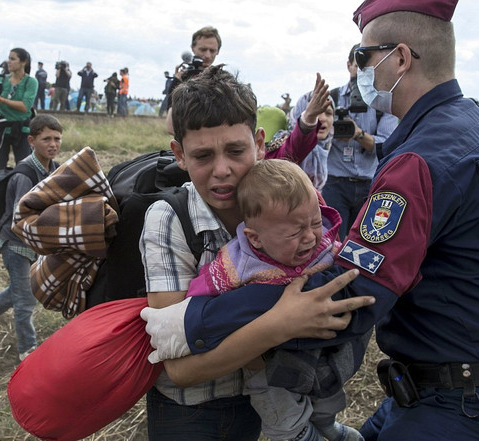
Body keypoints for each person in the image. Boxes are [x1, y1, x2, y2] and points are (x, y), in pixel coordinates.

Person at [143, 1, 479, 440]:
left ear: (399, 58)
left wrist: (197, 320)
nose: (358, 69)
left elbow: (351, 295)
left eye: (362, 57)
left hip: (463, 404)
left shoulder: (420, 159)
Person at [139, 65, 339, 441]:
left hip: (262, 401)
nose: (222, 170)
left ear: (260, 143)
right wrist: (282, 324)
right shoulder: (168, 220)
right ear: (179, 155)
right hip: (189, 410)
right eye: (202, 156)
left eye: (236, 150)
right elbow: (179, 369)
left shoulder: (289, 201)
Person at [180, 158, 363, 441]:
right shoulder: (239, 261)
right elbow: (201, 292)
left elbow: (346, 263)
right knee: (279, 409)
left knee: (328, 394)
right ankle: (301, 435)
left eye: (315, 222)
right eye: (293, 233)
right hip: (267, 357)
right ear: (255, 239)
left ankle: (327, 424)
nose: (310, 238)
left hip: (316, 351)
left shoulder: (324, 243)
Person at [0, 114, 62, 361]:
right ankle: (28, 351)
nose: (53, 144)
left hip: (34, 244)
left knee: (20, 292)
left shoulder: (56, 169)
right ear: (31, 140)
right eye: (46, 139)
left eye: (57, 139)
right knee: (26, 300)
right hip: (15, 244)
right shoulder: (25, 174)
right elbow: (21, 217)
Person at [322, 44, 397, 239]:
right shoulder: (331, 99)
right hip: (335, 184)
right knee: (332, 242)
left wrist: (357, 134)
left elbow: (386, 145)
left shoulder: (382, 104)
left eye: (367, 67)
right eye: (358, 65)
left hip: (368, 184)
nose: (361, 72)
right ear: (349, 65)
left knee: (364, 242)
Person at [0, 48, 38, 170]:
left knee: (24, 167)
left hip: (22, 129)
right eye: (9, 58)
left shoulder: (31, 82)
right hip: (2, 129)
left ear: (23, 62)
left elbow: (25, 107)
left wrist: (1, 99)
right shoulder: (1, 80)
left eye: (13, 59)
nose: (9, 62)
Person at [165, 26, 222, 135]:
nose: (207, 55)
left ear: (218, 51)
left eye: (212, 50)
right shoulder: (181, 78)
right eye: (203, 50)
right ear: (192, 48)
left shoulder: (222, 80)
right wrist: (177, 82)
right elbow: (171, 125)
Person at [288, 90, 336, 190]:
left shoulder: (325, 147)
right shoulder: (287, 146)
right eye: (316, 112)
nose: (322, 118)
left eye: (328, 113)